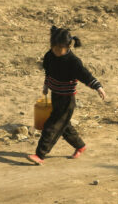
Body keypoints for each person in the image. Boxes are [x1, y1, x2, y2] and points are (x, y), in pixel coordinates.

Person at [27, 26, 106, 165]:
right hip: (55, 96)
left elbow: (85, 75)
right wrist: (46, 85)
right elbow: (49, 72)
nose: (56, 51)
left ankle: (40, 155)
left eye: (60, 48)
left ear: (68, 46)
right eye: (54, 47)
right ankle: (80, 146)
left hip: (67, 100)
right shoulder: (49, 56)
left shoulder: (73, 62)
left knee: (51, 126)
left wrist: (98, 86)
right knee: (64, 125)